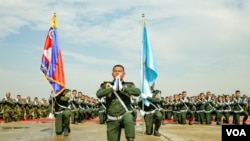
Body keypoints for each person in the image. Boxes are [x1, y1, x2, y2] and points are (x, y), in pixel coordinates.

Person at [96, 64, 141, 141]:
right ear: (112, 74)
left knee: (129, 118)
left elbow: (138, 92)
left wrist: (123, 89)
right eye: (115, 71)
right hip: (112, 117)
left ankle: (130, 138)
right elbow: (98, 94)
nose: (117, 73)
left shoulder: (129, 85)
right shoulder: (106, 85)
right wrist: (112, 89)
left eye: (120, 71)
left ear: (124, 74)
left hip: (125, 114)